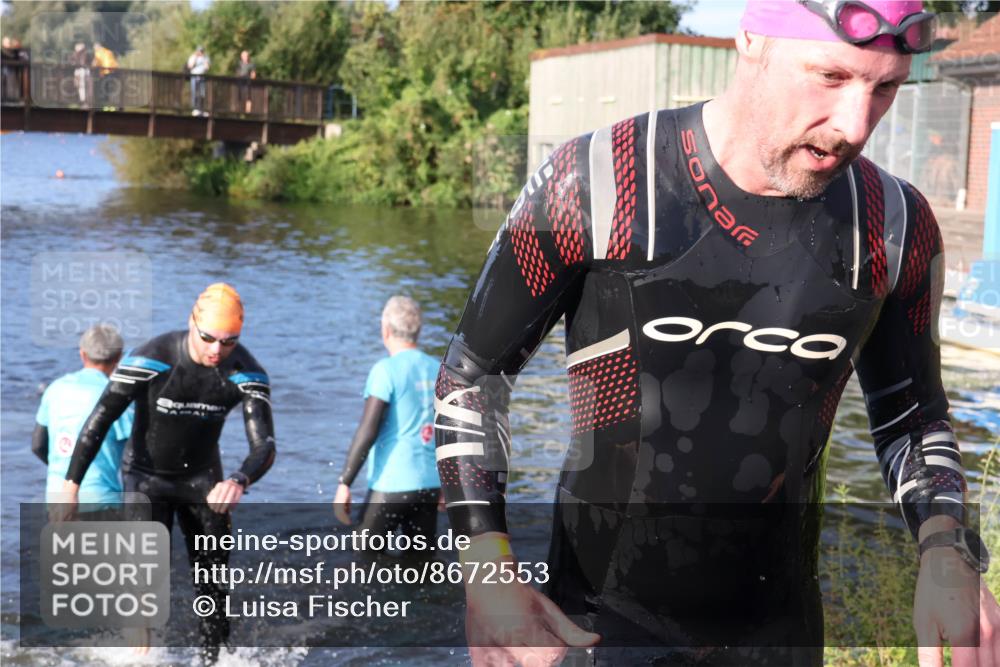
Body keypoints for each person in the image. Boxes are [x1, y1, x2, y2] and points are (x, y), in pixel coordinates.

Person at [434, 1, 999, 666]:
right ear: (751, 38)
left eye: (886, 88)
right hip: (595, 630)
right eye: (830, 76)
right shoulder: (600, 181)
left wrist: (946, 548)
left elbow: (914, 415)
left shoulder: (893, 223)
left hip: (779, 635)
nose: (855, 124)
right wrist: (487, 568)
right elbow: (473, 379)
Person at [62, 283, 276, 664]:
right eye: (208, 338)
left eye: (228, 342)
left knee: (213, 587)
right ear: (192, 323)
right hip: (145, 478)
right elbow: (100, 419)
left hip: (203, 483)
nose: (217, 350)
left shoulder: (246, 373)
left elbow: (265, 446)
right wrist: (71, 485)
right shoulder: (151, 358)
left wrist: (238, 480)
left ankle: (214, 659)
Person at [333, 296, 442, 547]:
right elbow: (450, 431)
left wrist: (345, 482)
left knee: (363, 557)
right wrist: (449, 484)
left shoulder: (385, 370)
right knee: (420, 562)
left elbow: (368, 430)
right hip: (430, 485)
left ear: (386, 330)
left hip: (392, 484)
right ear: (418, 331)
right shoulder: (438, 369)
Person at [33, 324, 132, 509]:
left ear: (82, 354)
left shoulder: (55, 388)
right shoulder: (118, 395)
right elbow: (135, 452)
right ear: (119, 357)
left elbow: (38, 446)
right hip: (101, 500)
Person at [91, 41, 118, 110]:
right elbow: (114, 62)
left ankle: (106, 106)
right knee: (111, 89)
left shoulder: (98, 53)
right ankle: (112, 106)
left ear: (97, 47)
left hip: (105, 72)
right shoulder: (108, 51)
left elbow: (95, 63)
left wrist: (92, 67)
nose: (94, 49)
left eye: (94, 48)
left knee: (104, 89)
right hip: (113, 71)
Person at [186, 45, 210, 116]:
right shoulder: (192, 57)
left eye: (202, 51)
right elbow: (190, 66)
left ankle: (202, 110)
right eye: (199, 51)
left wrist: (204, 59)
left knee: (202, 93)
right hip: (194, 77)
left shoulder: (206, 57)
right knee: (194, 93)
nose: (201, 52)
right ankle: (195, 109)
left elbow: (207, 68)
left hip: (202, 77)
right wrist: (196, 58)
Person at [235, 49, 256, 114]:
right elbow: (237, 73)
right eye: (243, 56)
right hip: (240, 82)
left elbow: (253, 74)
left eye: (246, 56)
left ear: (248, 56)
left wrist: (251, 78)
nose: (244, 57)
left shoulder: (251, 64)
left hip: (248, 82)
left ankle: (248, 112)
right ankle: (239, 110)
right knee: (239, 96)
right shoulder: (239, 64)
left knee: (248, 97)